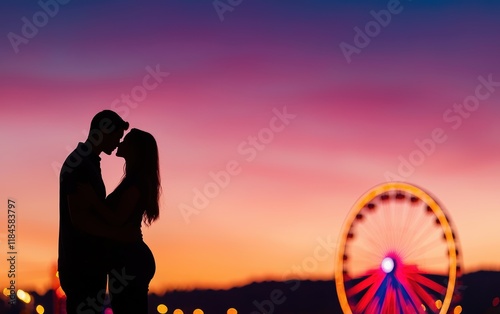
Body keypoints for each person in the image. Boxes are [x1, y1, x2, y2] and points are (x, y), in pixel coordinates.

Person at [58, 110, 138, 314]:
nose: (118, 143)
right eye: (117, 137)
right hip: (82, 265)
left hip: (85, 263)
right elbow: (80, 220)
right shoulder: (81, 165)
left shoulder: (87, 162)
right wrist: (119, 234)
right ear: (103, 132)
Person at [79, 128, 160, 314]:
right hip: (127, 259)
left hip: (129, 261)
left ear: (135, 149)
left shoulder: (135, 183)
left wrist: (92, 200)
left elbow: (117, 219)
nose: (120, 142)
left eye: (126, 140)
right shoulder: (133, 180)